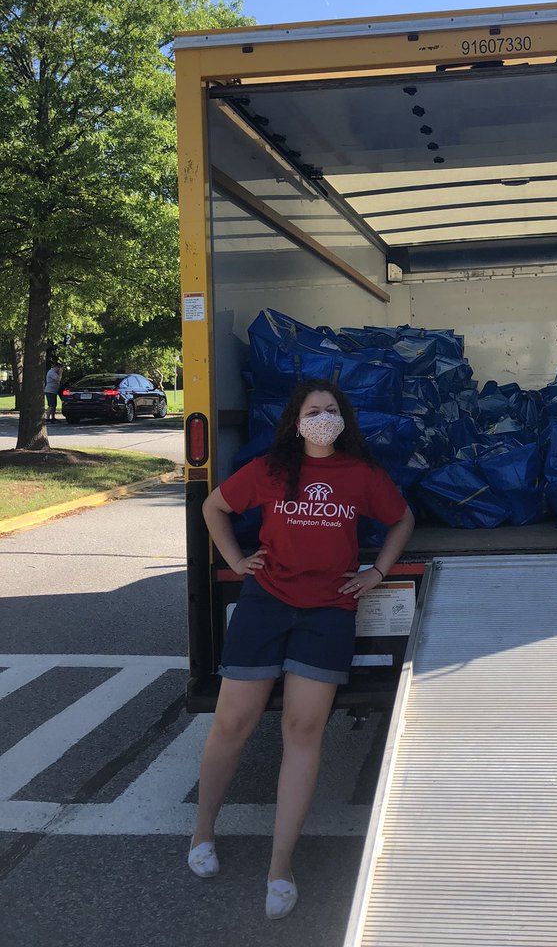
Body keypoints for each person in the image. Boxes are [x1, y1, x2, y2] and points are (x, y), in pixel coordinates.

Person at [188, 380, 414, 919]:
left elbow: (400, 518)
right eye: (313, 411)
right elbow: (214, 508)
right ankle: (201, 833)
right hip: (266, 605)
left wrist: (377, 571)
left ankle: (280, 866)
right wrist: (238, 562)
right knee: (232, 722)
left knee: (303, 731)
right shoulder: (270, 469)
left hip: (328, 613)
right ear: (295, 422)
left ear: (344, 420)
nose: (323, 418)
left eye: (332, 410)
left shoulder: (360, 475)